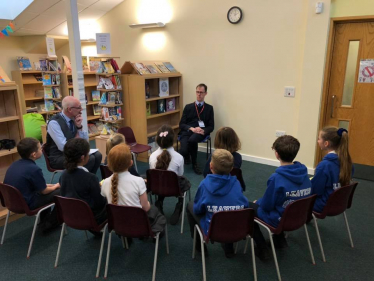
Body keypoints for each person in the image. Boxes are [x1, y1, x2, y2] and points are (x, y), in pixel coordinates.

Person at [251, 135, 312, 259]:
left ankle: (262, 248)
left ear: (277, 154)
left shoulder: (276, 178)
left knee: (249, 208)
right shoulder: (305, 173)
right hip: (299, 216)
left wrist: (258, 201)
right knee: (281, 204)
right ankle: (279, 240)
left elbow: (267, 206)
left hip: (281, 219)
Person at [186, 149, 249, 258]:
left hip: (212, 230)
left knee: (190, 206)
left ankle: (200, 248)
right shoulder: (236, 183)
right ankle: (229, 248)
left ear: (211, 166)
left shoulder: (204, 184)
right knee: (229, 210)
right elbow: (245, 205)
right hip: (236, 227)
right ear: (231, 168)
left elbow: (198, 210)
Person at [101, 143, 166, 235]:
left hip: (118, 223)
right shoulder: (138, 181)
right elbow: (145, 207)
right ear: (131, 163)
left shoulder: (105, 183)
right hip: (138, 223)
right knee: (156, 212)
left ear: (109, 164)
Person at [4, 137, 60, 232]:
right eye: (39, 147)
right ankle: (49, 223)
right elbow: (44, 191)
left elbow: (37, 184)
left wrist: (52, 185)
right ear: (34, 154)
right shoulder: (34, 169)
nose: (42, 148)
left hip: (12, 202)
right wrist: (56, 186)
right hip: (27, 203)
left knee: (52, 190)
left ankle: (45, 220)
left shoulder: (15, 164)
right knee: (61, 191)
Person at [45, 96, 102, 174]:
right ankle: (79, 182)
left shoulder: (73, 118)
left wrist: (79, 127)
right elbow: (62, 147)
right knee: (89, 158)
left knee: (98, 155)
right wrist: (80, 151)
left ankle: (89, 180)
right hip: (59, 157)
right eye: (79, 107)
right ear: (69, 109)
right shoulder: (54, 123)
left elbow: (85, 142)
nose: (81, 109)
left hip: (73, 152)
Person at [59, 138, 107, 227]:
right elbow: (99, 203)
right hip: (92, 218)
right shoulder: (90, 178)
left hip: (70, 216)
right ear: (82, 157)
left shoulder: (63, 174)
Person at [149, 125, 190, 225]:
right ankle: (180, 204)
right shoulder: (179, 157)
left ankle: (159, 201)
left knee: (162, 178)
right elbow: (180, 175)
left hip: (157, 187)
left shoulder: (152, 156)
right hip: (174, 189)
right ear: (173, 140)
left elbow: (152, 171)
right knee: (185, 182)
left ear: (157, 140)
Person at [312, 127, 353, 213]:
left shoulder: (324, 166)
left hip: (324, 204)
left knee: (298, 197)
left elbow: (315, 191)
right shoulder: (348, 163)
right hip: (341, 203)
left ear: (326, 143)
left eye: (319, 139)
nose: (317, 141)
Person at [179, 83, 214, 175]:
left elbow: (211, 126)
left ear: (205, 93)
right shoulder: (188, 107)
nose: (199, 94)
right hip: (188, 131)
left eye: (201, 92)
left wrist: (204, 130)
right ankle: (186, 155)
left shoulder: (209, 108)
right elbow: (181, 124)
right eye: (197, 92)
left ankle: (194, 163)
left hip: (200, 132)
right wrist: (191, 128)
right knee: (183, 150)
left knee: (192, 140)